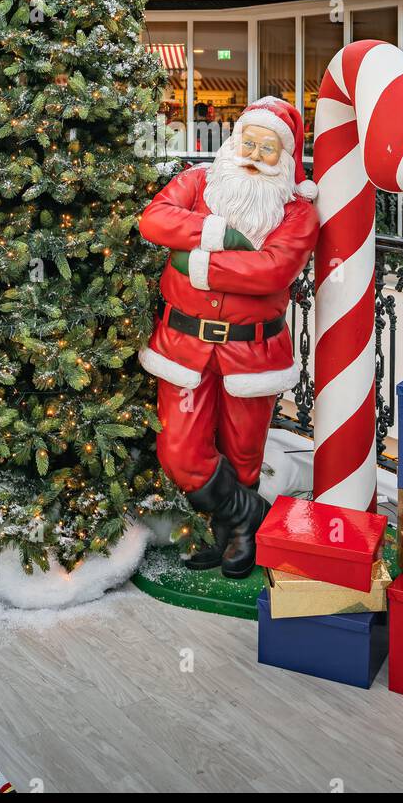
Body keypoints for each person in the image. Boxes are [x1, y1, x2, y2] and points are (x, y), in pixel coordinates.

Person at [139, 97, 319, 577]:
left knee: (243, 453)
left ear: (285, 158)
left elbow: (272, 271)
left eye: (269, 148)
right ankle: (249, 517)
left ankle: (230, 536)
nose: (255, 155)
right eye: (249, 142)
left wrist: (193, 261)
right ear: (234, 141)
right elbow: (154, 219)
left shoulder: (298, 212)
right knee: (178, 450)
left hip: (252, 349)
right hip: (183, 346)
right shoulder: (198, 181)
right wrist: (221, 233)